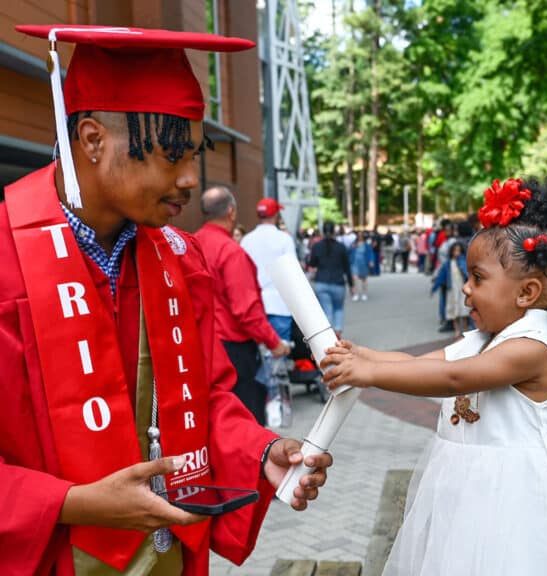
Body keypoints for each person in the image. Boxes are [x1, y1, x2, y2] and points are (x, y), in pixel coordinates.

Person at [0, 25, 331, 575]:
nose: (188, 178)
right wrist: (73, 503)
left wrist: (259, 452)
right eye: (171, 153)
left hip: (165, 557)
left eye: (194, 153)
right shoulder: (9, 259)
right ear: (92, 139)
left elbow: (207, 399)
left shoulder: (180, 258)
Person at [318, 176, 547, 575]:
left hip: (525, 500)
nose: (467, 291)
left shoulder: (532, 348)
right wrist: (365, 354)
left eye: (478, 278)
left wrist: (368, 374)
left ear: (525, 293)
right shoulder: (486, 339)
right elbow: (423, 361)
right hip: (472, 490)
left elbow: (454, 378)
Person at [195, 186, 291, 425]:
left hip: (200, 344)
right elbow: (245, 310)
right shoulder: (230, 252)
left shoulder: (190, 244)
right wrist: (274, 342)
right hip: (233, 351)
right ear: (231, 212)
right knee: (245, 420)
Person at [240, 197, 296, 343]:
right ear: (276, 215)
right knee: (280, 356)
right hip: (280, 303)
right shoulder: (284, 239)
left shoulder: (246, 240)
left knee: (258, 357)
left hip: (254, 305)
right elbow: (293, 274)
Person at [307, 220, 355, 335]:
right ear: (334, 231)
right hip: (338, 283)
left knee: (326, 311)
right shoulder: (341, 247)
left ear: (323, 231)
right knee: (338, 309)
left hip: (321, 282)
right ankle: (337, 333)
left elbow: (312, 263)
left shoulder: (317, 246)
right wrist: (351, 285)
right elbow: (347, 268)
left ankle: (329, 337)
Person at [349, 231, 372, 301]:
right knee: (354, 279)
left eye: (361, 235)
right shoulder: (353, 244)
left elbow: (370, 253)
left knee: (364, 279)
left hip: (363, 263)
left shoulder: (367, 245)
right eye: (358, 235)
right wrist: (352, 247)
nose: (360, 237)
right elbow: (348, 252)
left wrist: (371, 261)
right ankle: (356, 294)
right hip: (355, 263)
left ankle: (364, 294)